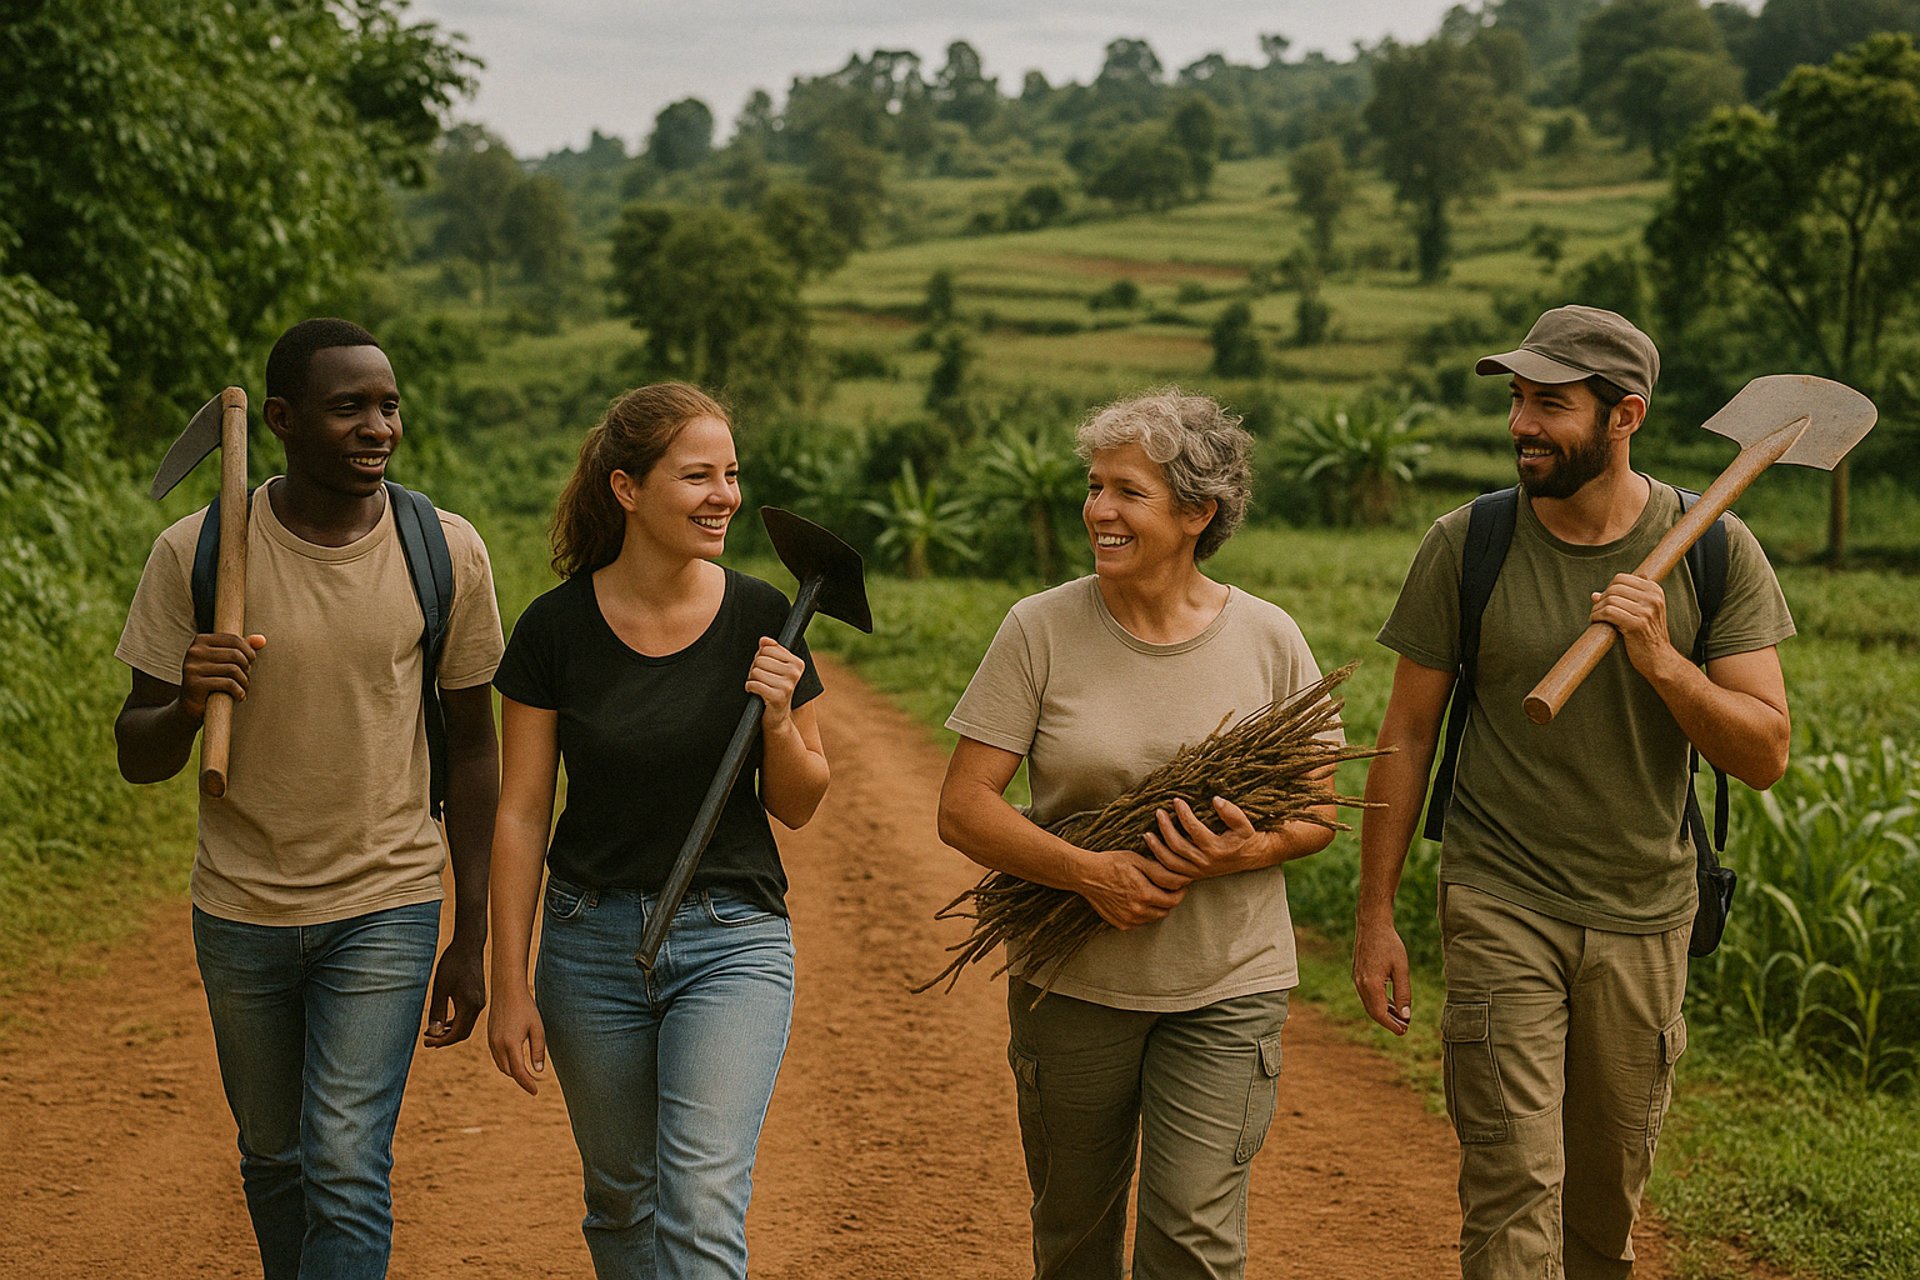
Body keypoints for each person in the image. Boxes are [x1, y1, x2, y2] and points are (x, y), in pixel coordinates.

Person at [1352, 305, 1795, 1278]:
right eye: (1516, 398)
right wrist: (1376, 911)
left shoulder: (1716, 550)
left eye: (1549, 403)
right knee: (1513, 1188)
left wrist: (1662, 660)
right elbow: (1406, 736)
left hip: (1645, 909)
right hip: (1498, 894)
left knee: (1601, 1211)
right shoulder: (1467, 544)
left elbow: (1764, 751)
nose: (1520, 422)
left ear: (1623, 414)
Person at [113, 317, 505, 1279]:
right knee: (277, 1159)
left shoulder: (443, 551)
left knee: (343, 1163)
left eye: (388, 405)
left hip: (387, 901)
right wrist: (190, 698)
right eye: (349, 409)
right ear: (280, 420)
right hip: (241, 906)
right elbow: (138, 752)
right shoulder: (194, 553)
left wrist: (472, 933)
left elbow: (473, 753)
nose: (378, 427)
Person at [936, 387, 1337, 1280]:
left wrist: (1250, 849)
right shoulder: (1039, 629)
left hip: (1228, 984)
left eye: (1127, 492)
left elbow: (1317, 814)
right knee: (1075, 1235)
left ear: (1198, 513)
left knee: (1195, 1242)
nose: (1097, 511)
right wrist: (1089, 873)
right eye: (1094, 487)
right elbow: (964, 807)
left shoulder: (1269, 638)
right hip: (1074, 986)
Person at [485, 382, 829, 1279]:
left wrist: (782, 719)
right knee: (623, 1198)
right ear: (628, 490)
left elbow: (799, 801)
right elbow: (521, 813)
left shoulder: (765, 616)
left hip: (733, 941)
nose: (725, 496)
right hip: (586, 944)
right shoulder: (553, 628)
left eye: (732, 474)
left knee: (702, 1198)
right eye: (697, 476)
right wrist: (509, 980)